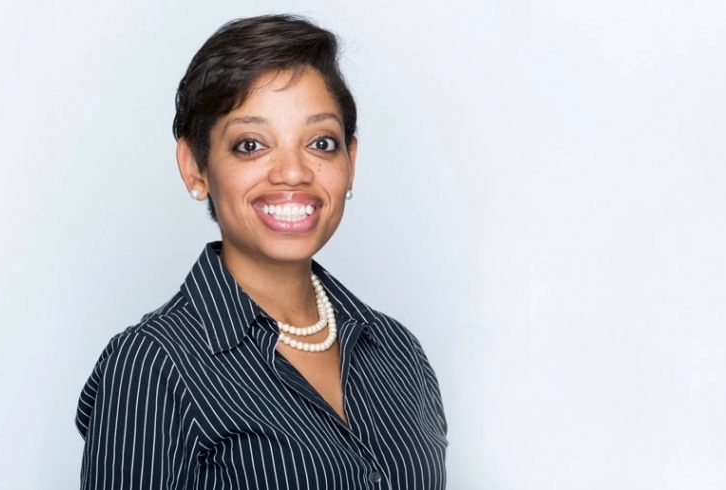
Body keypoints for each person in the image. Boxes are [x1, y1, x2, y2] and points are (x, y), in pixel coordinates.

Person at [76, 14, 448, 489]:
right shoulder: (153, 364)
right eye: (251, 145)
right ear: (195, 167)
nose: (292, 172)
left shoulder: (399, 354)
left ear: (350, 163)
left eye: (321, 143)